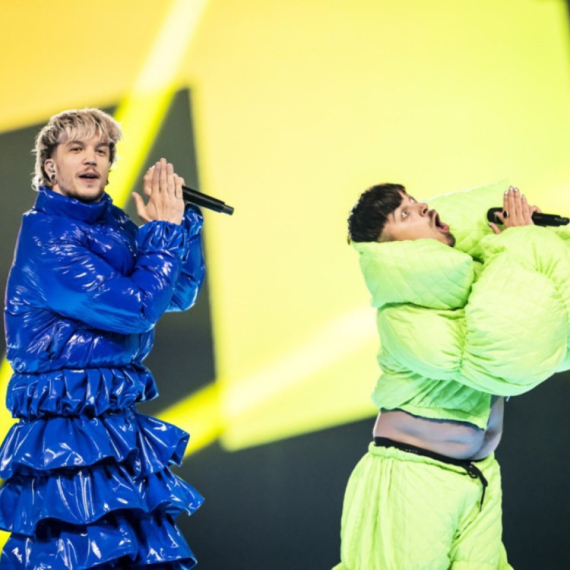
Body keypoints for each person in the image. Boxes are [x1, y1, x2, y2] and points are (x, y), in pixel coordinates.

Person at [0, 108, 205, 568]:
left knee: (133, 553)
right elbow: (137, 310)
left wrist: (181, 227)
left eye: (102, 150)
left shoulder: (112, 226)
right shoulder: (49, 237)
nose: (91, 159)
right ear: (50, 165)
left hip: (113, 423)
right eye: (76, 149)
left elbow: (176, 294)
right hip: (66, 433)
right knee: (77, 553)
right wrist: (162, 232)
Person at [334, 183, 548, 570]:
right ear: (391, 250)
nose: (423, 208)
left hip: (479, 476)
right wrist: (519, 246)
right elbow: (489, 357)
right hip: (411, 479)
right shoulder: (400, 315)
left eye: (414, 201)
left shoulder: (472, 280)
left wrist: (511, 245)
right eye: (404, 214)